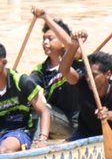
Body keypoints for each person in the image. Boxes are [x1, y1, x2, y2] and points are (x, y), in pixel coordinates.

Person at [0, 40, 49, 154]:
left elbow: (44, 111)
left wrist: (43, 138)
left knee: (4, 149)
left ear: (4, 62)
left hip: (19, 130)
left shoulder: (22, 81)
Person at [27, 11, 85, 140]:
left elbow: (71, 45)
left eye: (50, 39)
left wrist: (46, 18)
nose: (45, 42)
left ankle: (37, 145)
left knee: (42, 109)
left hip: (74, 124)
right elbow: (27, 87)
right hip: (55, 122)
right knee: (32, 103)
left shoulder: (75, 60)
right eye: (43, 39)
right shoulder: (40, 70)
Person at [70, 51, 112, 141]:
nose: (89, 79)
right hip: (84, 134)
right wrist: (73, 46)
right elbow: (64, 70)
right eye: (87, 74)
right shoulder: (83, 83)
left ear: (108, 74)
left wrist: (108, 115)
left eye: (94, 75)